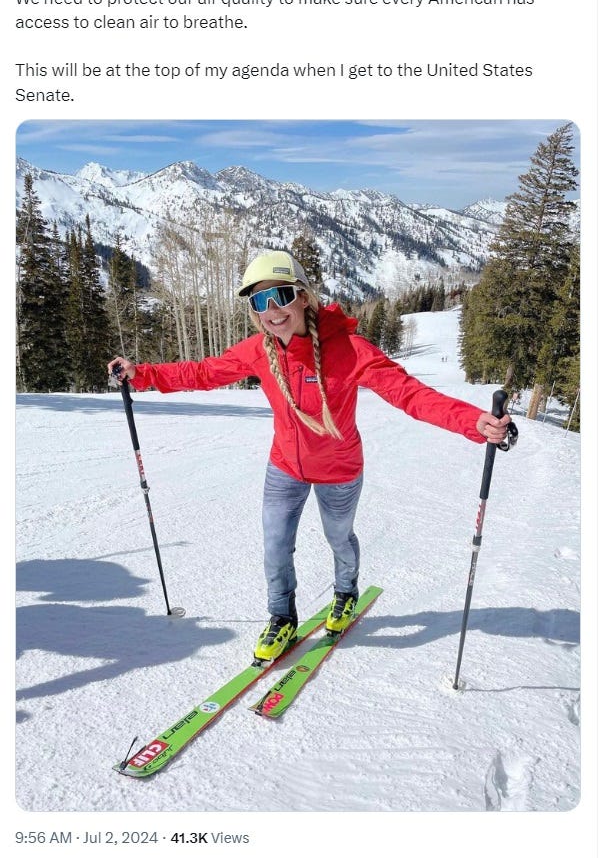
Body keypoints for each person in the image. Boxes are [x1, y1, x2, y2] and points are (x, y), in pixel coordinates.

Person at [108, 249, 511, 663]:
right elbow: (203, 372)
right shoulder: (258, 351)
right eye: (259, 302)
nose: (271, 310)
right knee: (275, 545)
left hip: (339, 469)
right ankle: (282, 618)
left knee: (338, 536)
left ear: (303, 296)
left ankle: (346, 592)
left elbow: (409, 394)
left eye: (279, 295)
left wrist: (473, 421)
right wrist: (144, 373)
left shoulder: (351, 349)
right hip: (285, 466)